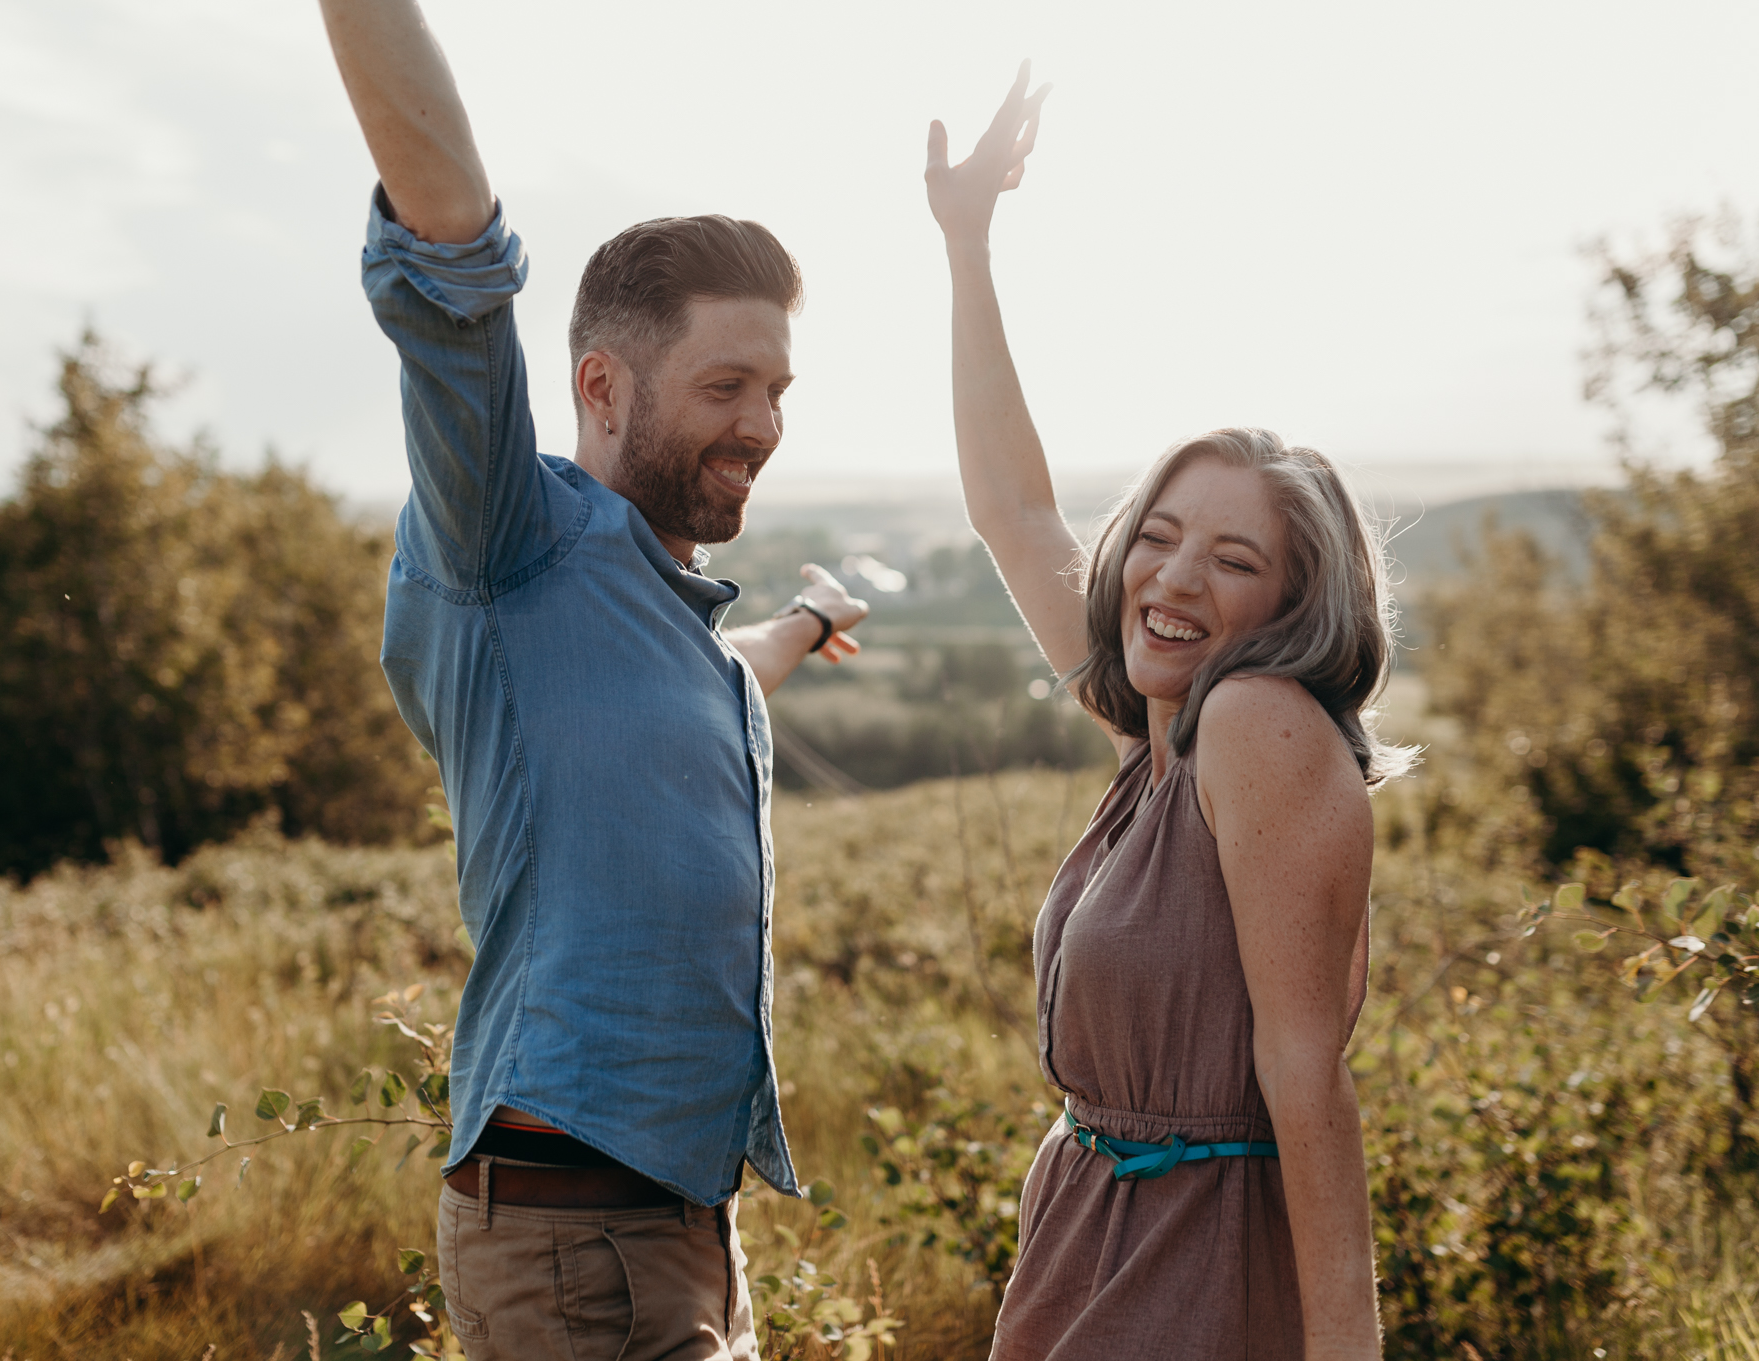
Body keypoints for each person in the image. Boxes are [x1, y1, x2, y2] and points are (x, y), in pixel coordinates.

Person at [315, 4, 870, 1357]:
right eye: (728, 382)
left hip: (683, 1225)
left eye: (778, 389)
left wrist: (802, 617)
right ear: (601, 385)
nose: (762, 425)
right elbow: (448, 266)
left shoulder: (675, 625)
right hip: (568, 1240)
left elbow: (721, 680)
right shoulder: (508, 547)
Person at [925, 65, 1411, 1361]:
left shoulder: (1255, 723)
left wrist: (1343, 1352)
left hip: (1196, 1250)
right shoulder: (1159, 738)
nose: (1174, 577)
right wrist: (966, 243)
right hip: (1083, 1219)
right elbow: (1015, 515)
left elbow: (1306, 1074)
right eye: (1157, 534)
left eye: (1233, 560)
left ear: (1292, 605)